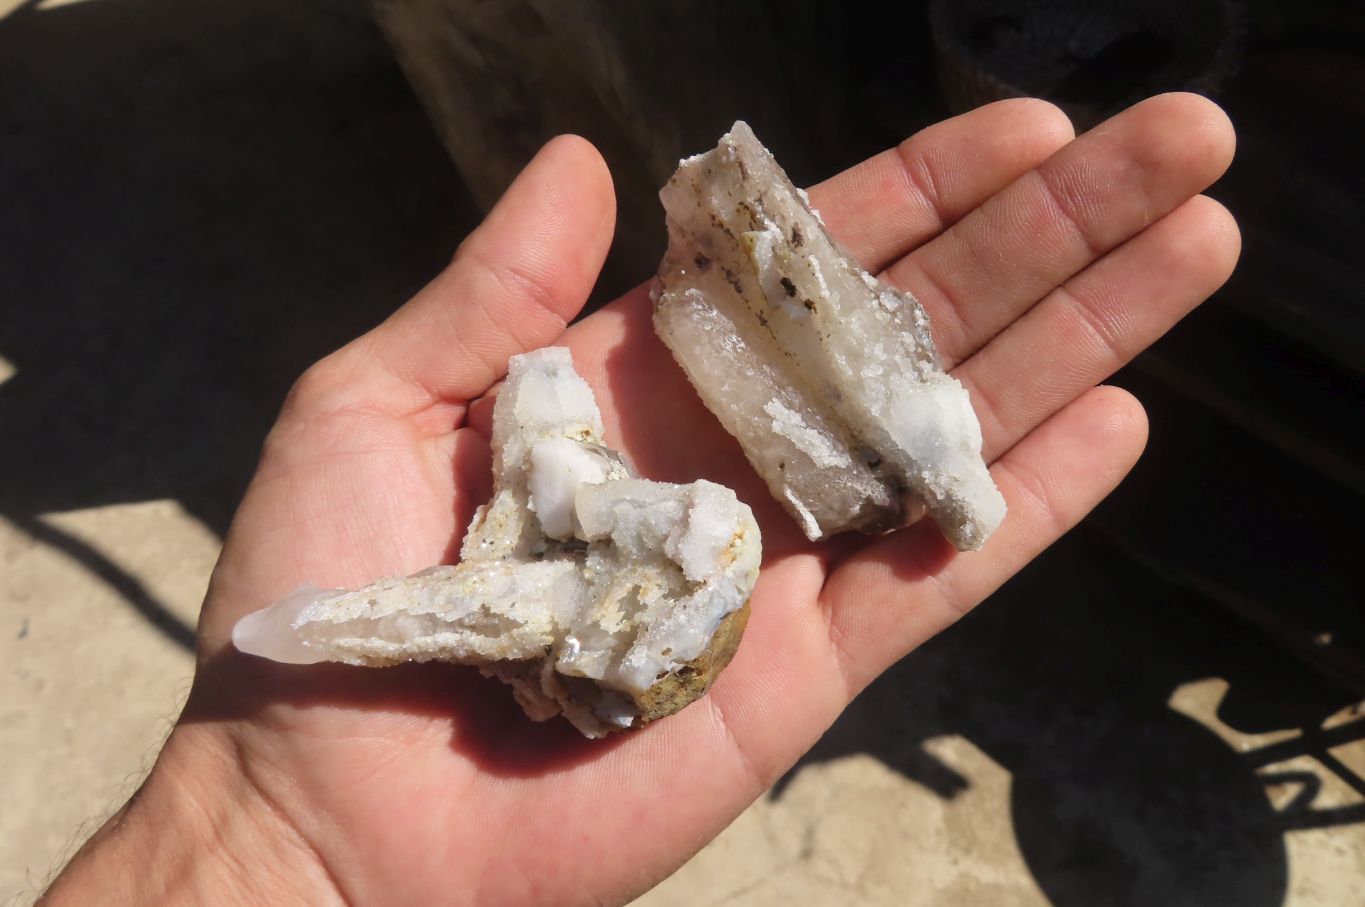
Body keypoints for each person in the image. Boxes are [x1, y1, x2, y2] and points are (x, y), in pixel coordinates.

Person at [41, 93, 1238, 906]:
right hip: (633, 551)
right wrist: (261, 833)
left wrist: (255, 842)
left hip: (658, 546)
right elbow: (567, 510)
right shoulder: (583, 499)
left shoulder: (618, 503)